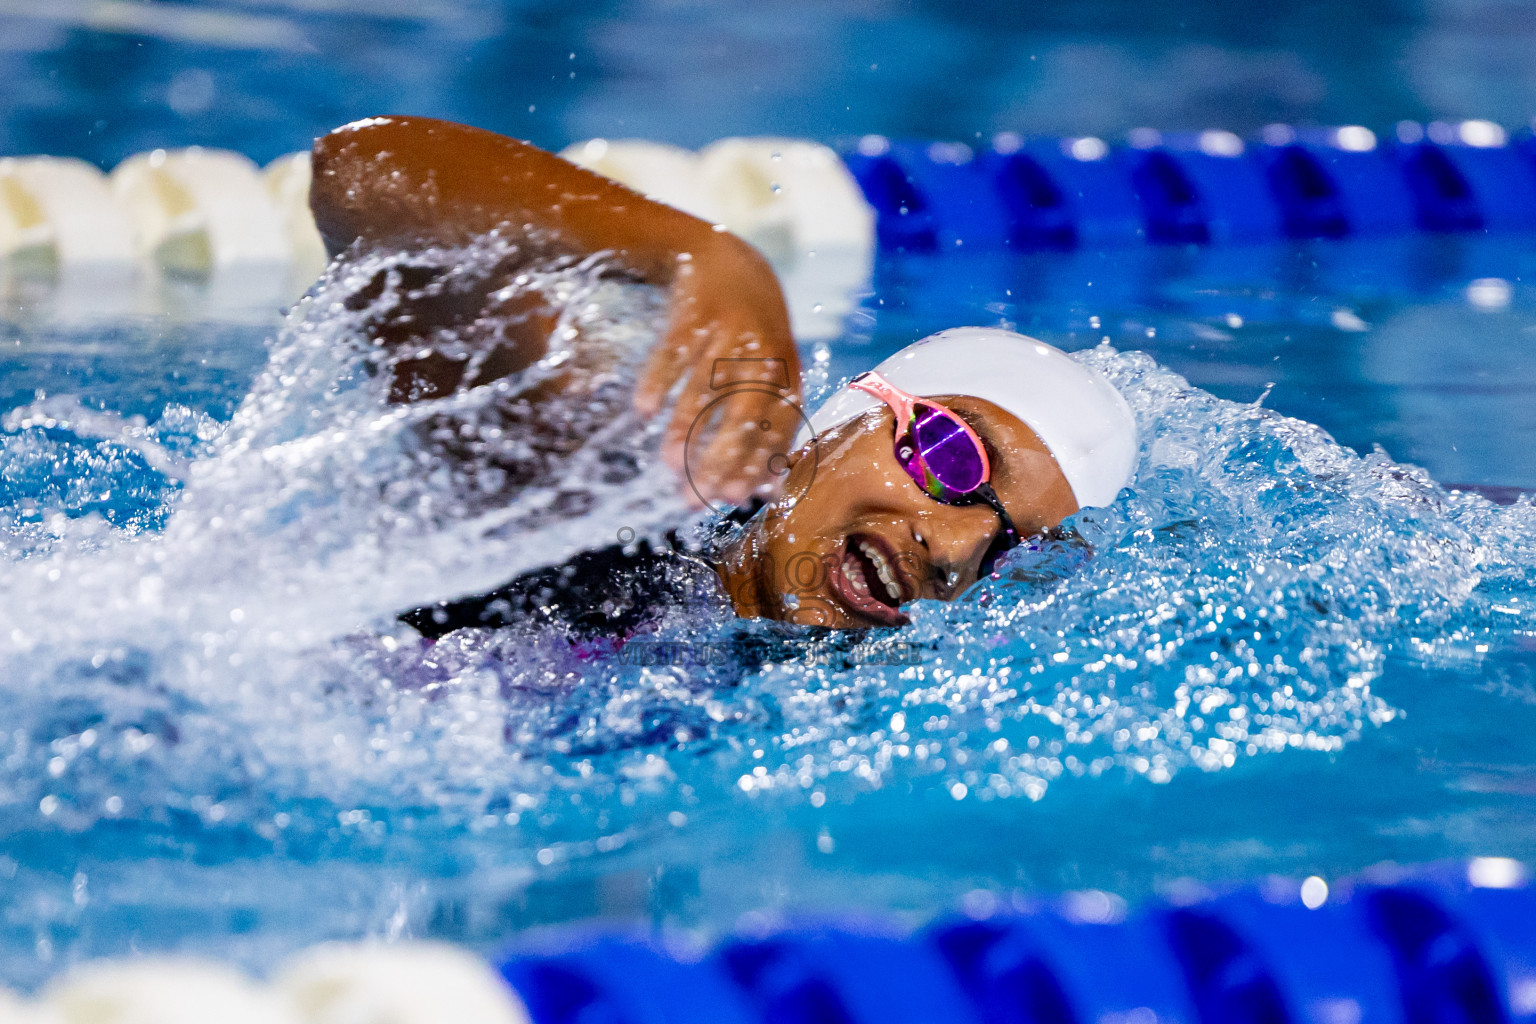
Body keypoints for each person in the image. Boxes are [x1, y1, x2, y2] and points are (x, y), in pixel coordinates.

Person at [309, 116, 1137, 633]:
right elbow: (359, 175)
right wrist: (704, 255)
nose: (956, 548)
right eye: (956, 458)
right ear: (846, 414)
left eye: (1009, 552)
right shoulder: (594, 518)